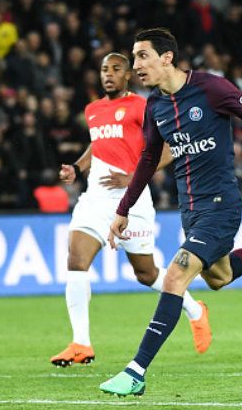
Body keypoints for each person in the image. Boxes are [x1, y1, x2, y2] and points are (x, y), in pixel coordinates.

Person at [99, 28, 242, 397]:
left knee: (175, 276)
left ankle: (136, 371)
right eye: (134, 57)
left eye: (142, 56)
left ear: (167, 58)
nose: (136, 65)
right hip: (189, 210)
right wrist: (123, 209)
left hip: (221, 206)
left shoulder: (210, 89)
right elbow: (147, 159)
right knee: (218, 278)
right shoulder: (156, 107)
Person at [50, 52, 213, 368]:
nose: (108, 74)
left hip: (132, 200)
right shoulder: (93, 110)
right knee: (75, 260)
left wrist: (133, 176)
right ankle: (81, 342)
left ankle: (196, 310)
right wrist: (77, 167)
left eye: (116, 69)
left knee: (146, 273)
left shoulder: (142, 106)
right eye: (104, 69)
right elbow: (97, 145)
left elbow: (168, 147)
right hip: (94, 199)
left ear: (128, 76)